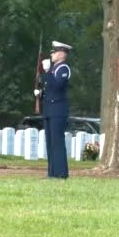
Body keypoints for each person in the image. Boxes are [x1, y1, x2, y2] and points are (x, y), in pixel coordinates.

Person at [34, 41, 72, 179]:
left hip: (58, 110)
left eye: (55, 52)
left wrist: (47, 71)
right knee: (50, 142)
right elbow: (49, 88)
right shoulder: (53, 69)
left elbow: (57, 86)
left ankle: (61, 173)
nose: (52, 54)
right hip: (49, 110)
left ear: (62, 54)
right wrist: (40, 93)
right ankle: (52, 173)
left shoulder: (64, 68)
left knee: (57, 142)